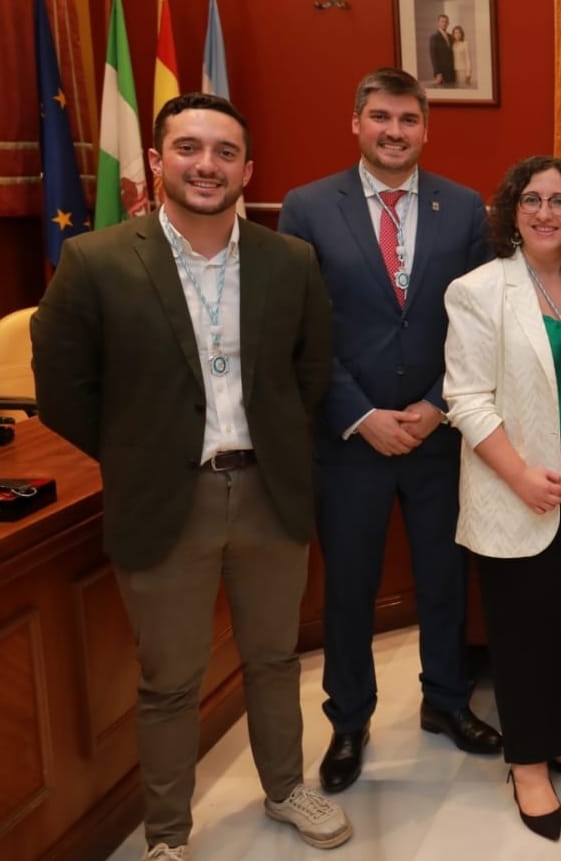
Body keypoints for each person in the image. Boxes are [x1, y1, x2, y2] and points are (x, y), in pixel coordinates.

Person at [31, 93, 350, 858]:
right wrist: (138, 451)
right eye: (189, 148)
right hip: (165, 499)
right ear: (156, 160)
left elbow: (310, 372)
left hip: (270, 494)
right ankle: (168, 835)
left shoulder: (290, 260)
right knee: (170, 680)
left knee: (274, 658)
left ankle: (286, 788)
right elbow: (64, 388)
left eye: (225, 152)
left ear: (248, 169)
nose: (207, 165)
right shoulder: (97, 261)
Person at [279, 67, 500, 796]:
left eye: (408, 120)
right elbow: (301, 326)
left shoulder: (462, 207)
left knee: (445, 578)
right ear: (357, 122)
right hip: (350, 438)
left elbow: (479, 320)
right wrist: (360, 414)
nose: (394, 132)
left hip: (439, 433)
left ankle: (446, 700)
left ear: (426, 129)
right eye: (381, 117)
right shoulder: (308, 207)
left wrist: (438, 403)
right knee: (349, 586)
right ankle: (349, 719)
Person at [444, 155, 561, 841]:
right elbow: (465, 398)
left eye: (560, 200)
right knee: (526, 625)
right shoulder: (479, 290)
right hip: (515, 475)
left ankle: (558, 733)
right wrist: (518, 475)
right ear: (512, 212)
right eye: (532, 200)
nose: (546, 212)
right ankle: (527, 760)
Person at [428, 13, 455, 87]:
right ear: (438, 23)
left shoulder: (450, 37)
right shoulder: (434, 37)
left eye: (446, 22)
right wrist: (437, 73)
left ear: (448, 23)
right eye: (442, 21)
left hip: (452, 72)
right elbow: (433, 56)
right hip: (442, 73)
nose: (444, 24)